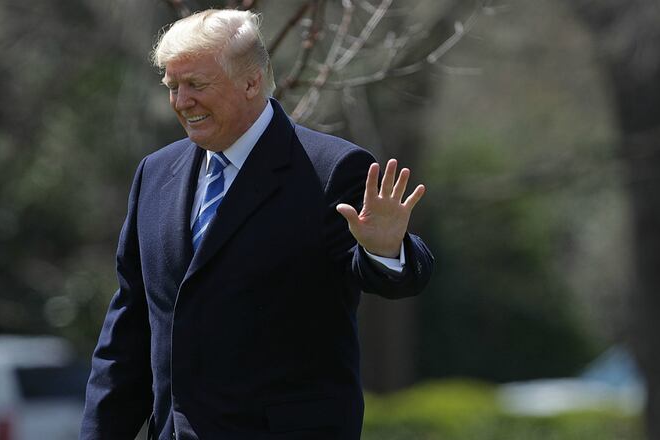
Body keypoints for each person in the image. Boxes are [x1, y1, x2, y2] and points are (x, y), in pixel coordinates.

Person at [81, 9, 433, 440]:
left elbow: (396, 279)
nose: (181, 101)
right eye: (173, 86)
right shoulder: (154, 174)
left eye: (196, 85)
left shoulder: (331, 170)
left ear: (251, 82)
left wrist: (384, 249)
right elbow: (128, 332)